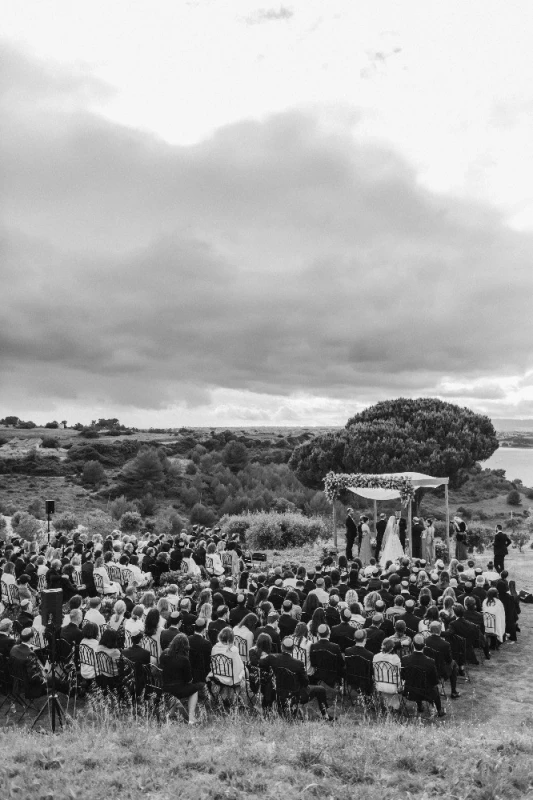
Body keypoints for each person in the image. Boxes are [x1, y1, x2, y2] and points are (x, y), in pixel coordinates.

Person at [262, 636, 335, 720]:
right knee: (321, 689)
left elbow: (259, 663)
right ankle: (325, 715)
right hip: (295, 695)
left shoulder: (272, 658)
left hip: (277, 692)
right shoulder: (298, 664)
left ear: (281, 647)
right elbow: (305, 682)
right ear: (293, 648)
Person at [159, 633, 203, 724]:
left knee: (180, 691)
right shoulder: (184, 659)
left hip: (165, 687)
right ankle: (191, 717)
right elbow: (189, 680)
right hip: (178, 689)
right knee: (195, 689)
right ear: (186, 646)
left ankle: (171, 713)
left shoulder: (164, 653)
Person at [401, 634, 446, 717]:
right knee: (434, 687)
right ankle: (439, 710)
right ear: (424, 646)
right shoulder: (430, 662)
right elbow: (434, 681)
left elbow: (403, 676)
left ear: (412, 645)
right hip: (426, 693)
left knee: (417, 681)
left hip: (409, 692)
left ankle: (419, 706)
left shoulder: (404, 659)